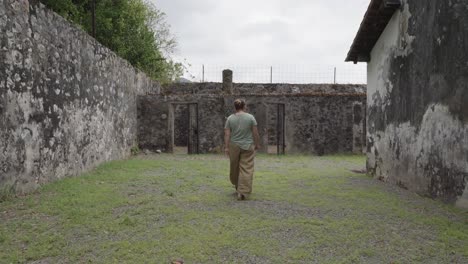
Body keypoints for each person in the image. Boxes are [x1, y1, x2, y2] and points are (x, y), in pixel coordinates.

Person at [224, 99, 260, 200]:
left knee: (234, 167)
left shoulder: (230, 119)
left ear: (235, 107)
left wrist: (226, 147)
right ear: (244, 106)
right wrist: (257, 144)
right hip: (248, 146)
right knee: (246, 168)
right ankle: (243, 192)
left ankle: (237, 186)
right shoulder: (250, 118)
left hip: (234, 146)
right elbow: (255, 133)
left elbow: (227, 134)